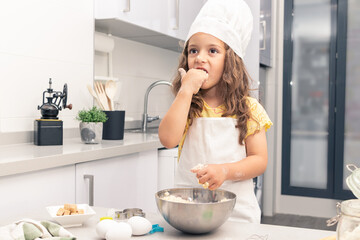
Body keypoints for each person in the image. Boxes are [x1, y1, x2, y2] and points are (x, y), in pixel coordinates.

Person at [158, 0, 272, 223]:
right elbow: (168, 139)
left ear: (230, 61)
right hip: (190, 211)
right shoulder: (188, 105)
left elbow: (259, 160)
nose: (200, 58)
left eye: (212, 51)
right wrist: (185, 92)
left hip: (237, 214)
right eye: (193, 50)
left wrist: (226, 171)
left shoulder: (248, 108)